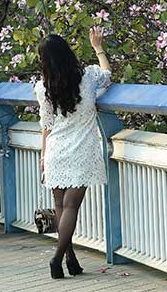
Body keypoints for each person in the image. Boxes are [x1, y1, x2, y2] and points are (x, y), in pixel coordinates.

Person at [36, 27, 111, 279]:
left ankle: (70, 258)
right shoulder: (88, 77)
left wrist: (43, 157)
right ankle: (57, 258)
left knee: (60, 206)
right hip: (82, 149)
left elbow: (46, 126)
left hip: (56, 150)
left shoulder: (43, 87)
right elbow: (107, 75)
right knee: (71, 207)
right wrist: (98, 47)